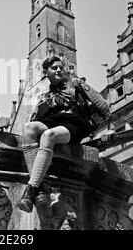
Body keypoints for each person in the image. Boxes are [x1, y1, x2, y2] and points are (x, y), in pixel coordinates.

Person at [17, 56, 115, 213]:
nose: (58, 70)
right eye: (54, 68)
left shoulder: (75, 83)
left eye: (60, 67)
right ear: (45, 72)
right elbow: (35, 120)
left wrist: (111, 127)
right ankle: (39, 189)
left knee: (48, 136)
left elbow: (99, 102)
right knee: (28, 128)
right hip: (55, 121)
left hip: (74, 123)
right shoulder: (46, 96)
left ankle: (30, 190)